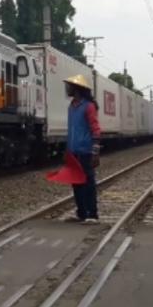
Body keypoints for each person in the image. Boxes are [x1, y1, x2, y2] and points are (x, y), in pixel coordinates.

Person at [64, 74, 102, 224]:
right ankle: (81, 213)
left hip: (86, 151)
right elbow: (71, 130)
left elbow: (95, 129)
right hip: (74, 151)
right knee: (76, 183)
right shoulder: (72, 106)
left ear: (77, 89)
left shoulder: (88, 106)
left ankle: (92, 214)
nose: (67, 89)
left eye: (70, 86)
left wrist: (95, 151)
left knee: (88, 183)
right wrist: (67, 151)